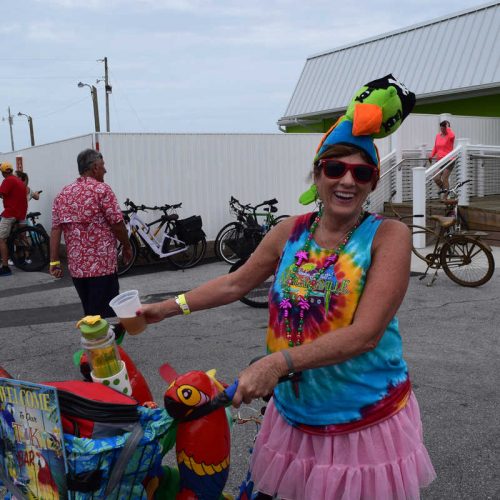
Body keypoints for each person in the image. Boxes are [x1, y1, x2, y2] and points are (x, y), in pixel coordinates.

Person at [137, 120, 436, 496]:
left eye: (361, 172)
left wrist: (277, 363)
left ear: (373, 182)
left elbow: (366, 334)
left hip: (361, 417)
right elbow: (235, 283)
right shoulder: (290, 231)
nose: (347, 181)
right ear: (317, 174)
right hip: (294, 413)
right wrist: (165, 307)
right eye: (335, 168)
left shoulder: (388, 235)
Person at [49, 149, 132, 318]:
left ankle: (94, 342)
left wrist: (54, 261)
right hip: (102, 268)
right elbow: (117, 224)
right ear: (95, 167)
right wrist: (127, 246)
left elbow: (56, 229)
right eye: (103, 166)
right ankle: (102, 344)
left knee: (90, 315)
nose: (105, 170)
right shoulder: (102, 190)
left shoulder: (63, 194)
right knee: (106, 317)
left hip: (78, 270)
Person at [0, 162, 28, 277]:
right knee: (14, 237)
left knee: (1, 239)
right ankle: (20, 259)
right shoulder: (17, 180)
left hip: (11, 213)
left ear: (3, 172)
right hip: (20, 213)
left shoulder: (8, 181)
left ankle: (5, 267)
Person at [429, 120, 456, 195]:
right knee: (436, 178)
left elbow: (452, 136)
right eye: (441, 128)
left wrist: (448, 127)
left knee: (444, 178)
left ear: (446, 128)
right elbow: (435, 147)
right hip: (440, 160)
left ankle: (445, 196)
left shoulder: (450, 136)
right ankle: (445, 190)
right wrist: (431, 155)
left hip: (449, 160)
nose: (442, 130)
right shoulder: (438, 136)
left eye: (443, 128)